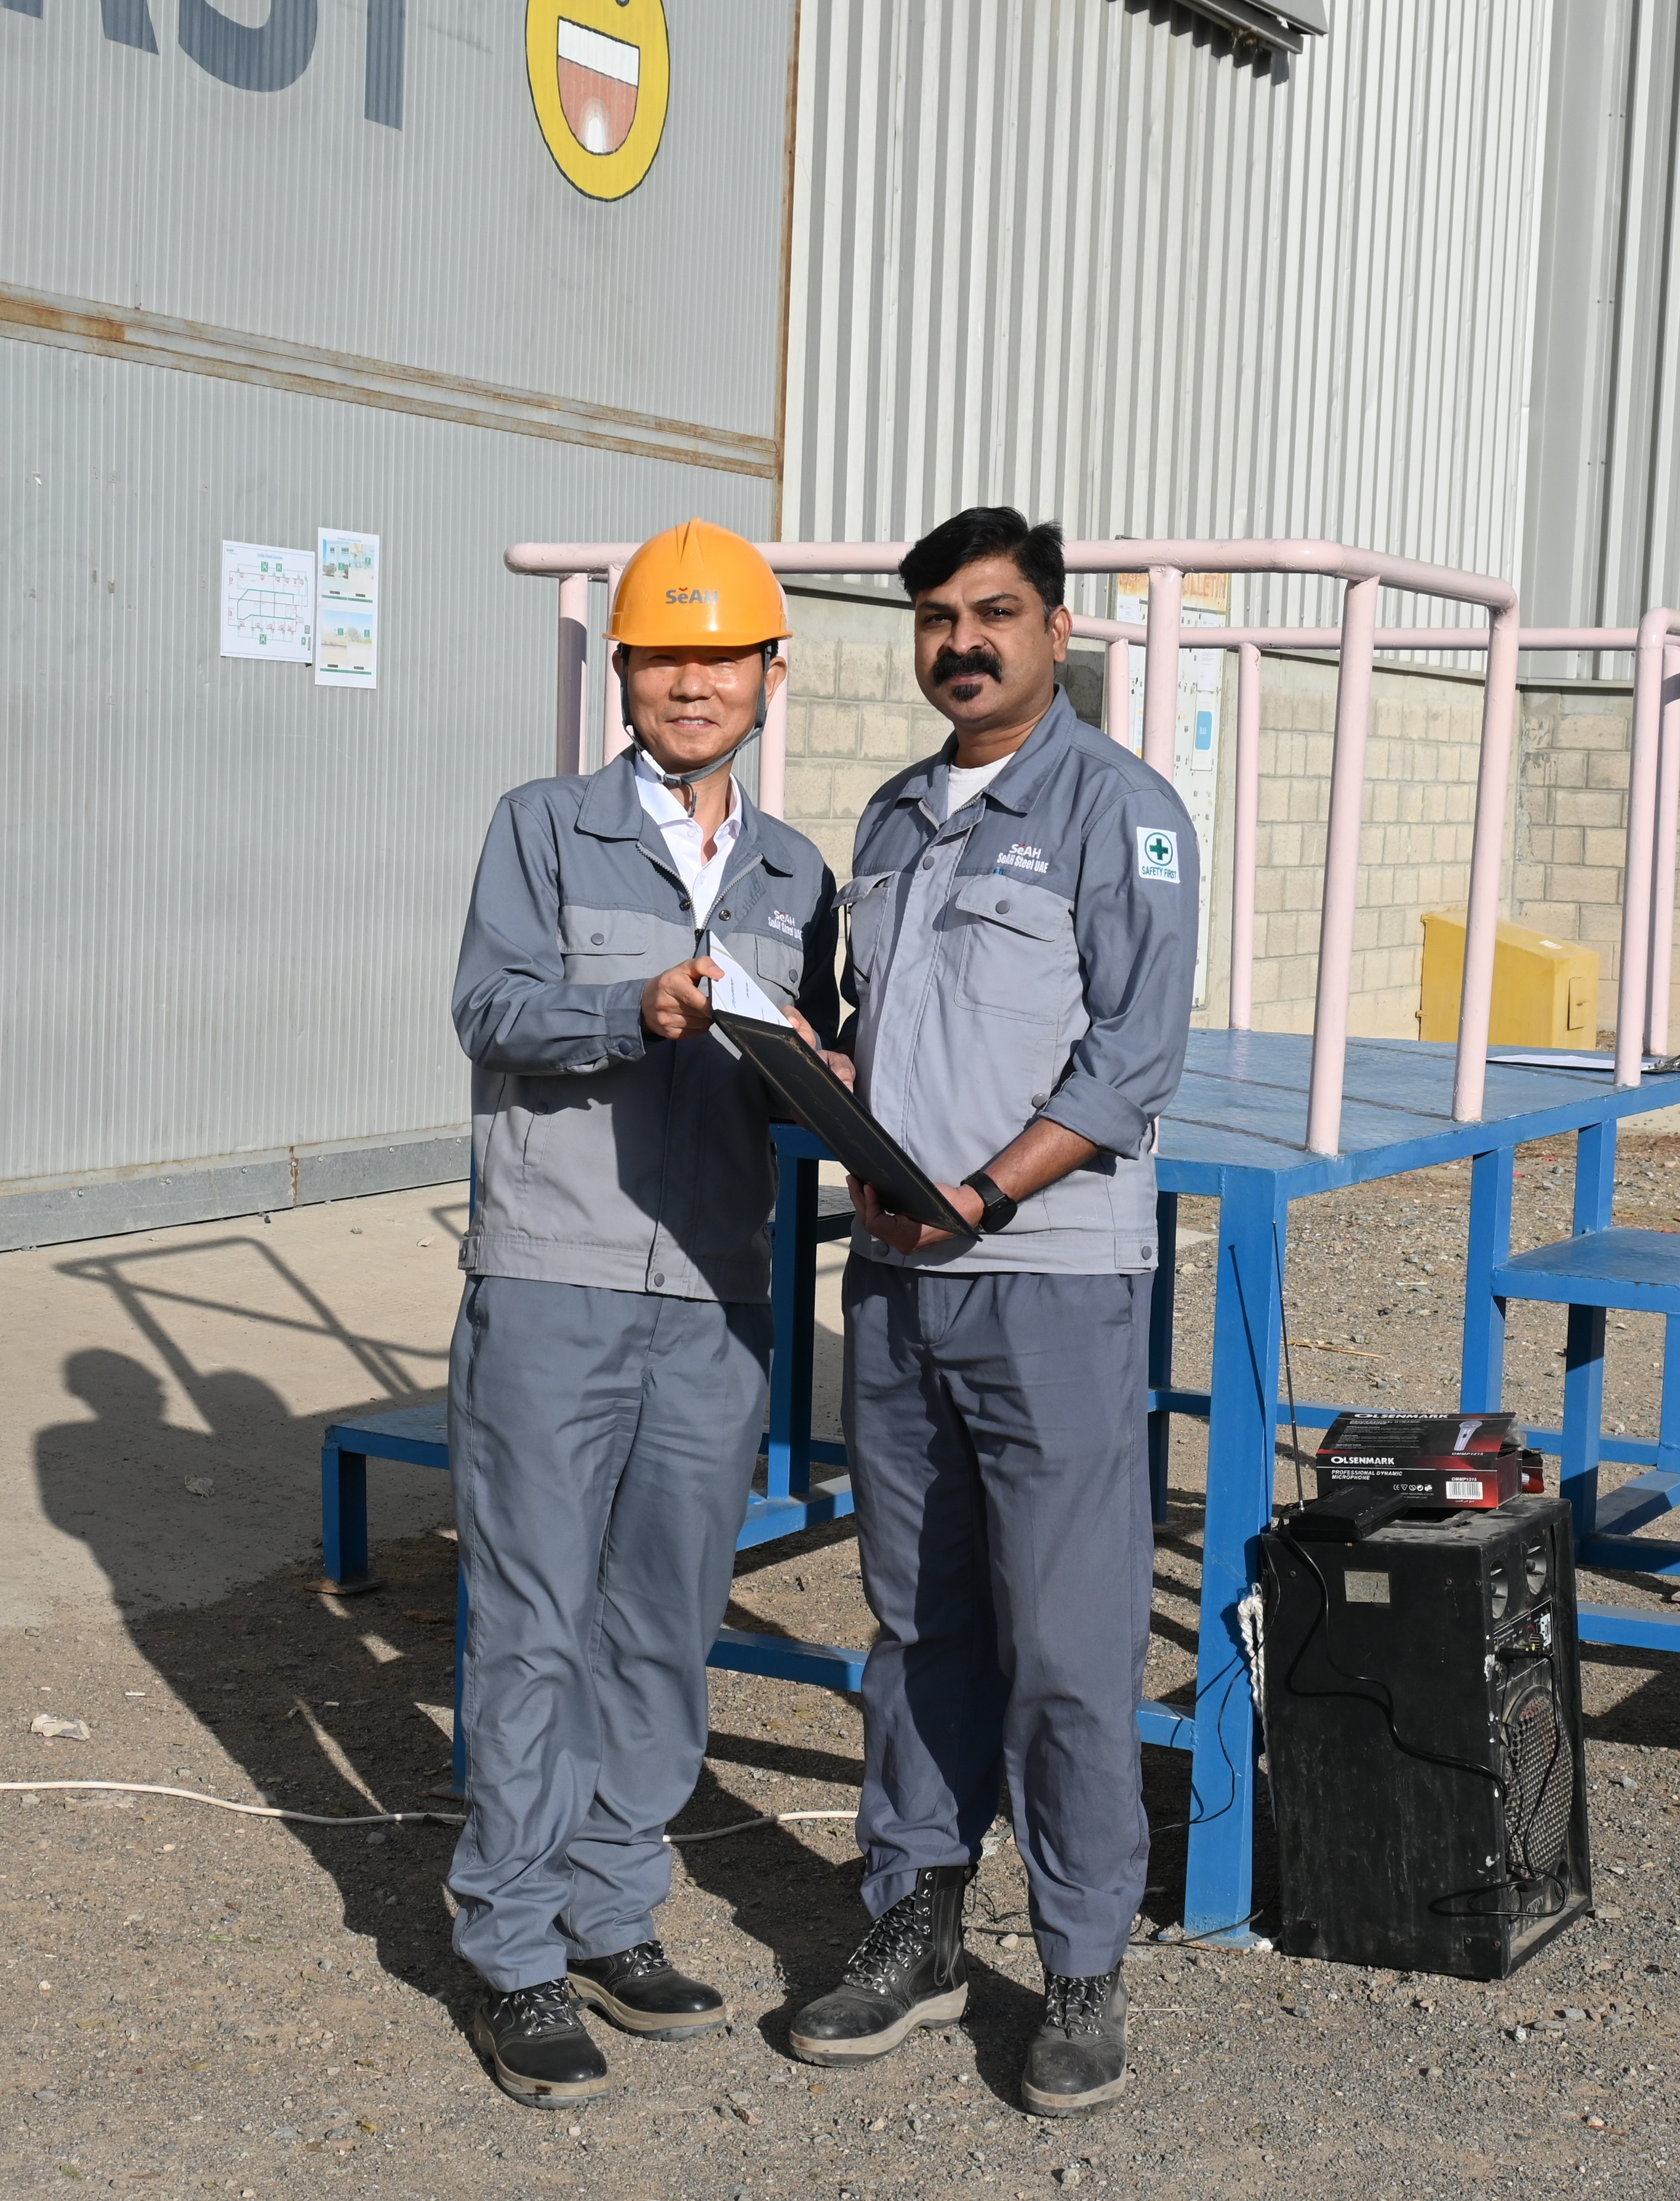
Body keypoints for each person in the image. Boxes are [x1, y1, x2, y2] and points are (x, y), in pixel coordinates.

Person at [788, 508, 1198, 2118]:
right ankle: (918, 1918)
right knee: (917, 1621)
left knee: (1071, 1643)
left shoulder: (1121, 812)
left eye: (994, 613)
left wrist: (982, 1192)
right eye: (936, 619)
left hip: (1050, 1285)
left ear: (1054, 628)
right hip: (897, 1288)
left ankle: (1084, 1963)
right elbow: (875, 1027)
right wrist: (815, 1069)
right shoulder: (895, 816)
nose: (962, 643)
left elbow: (1132, 1060)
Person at [449, 519, 843, 2107]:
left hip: (717, 1293)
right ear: (624, 673)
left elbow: (807, 1076)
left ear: (768, 674)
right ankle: (513, 1952)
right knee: (532, 1621)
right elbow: (489, 1008)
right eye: (666, 656)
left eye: (721, 656)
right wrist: (638, 1005)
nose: (694, 683)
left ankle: (614, 1914)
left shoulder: (796, 873)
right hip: (556, 1276)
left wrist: (833, 1073)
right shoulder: (542, 828)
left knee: (667, 1621)